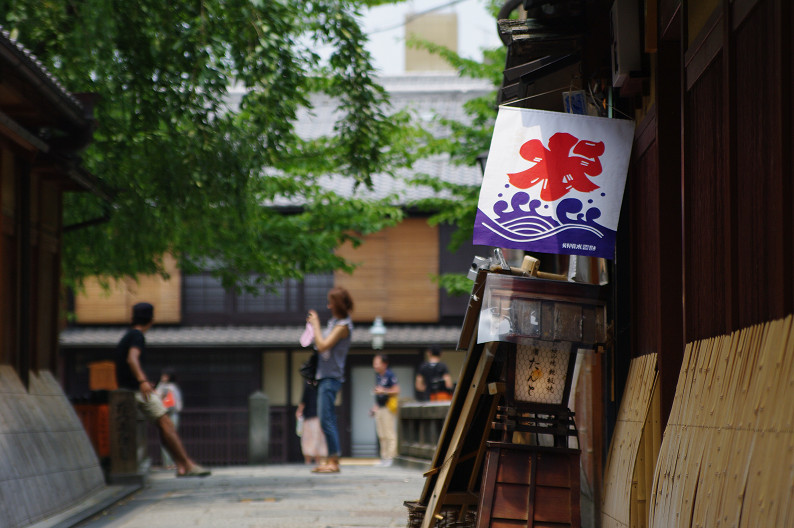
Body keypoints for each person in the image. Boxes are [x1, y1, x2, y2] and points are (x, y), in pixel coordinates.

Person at [115, 302, 210, 477]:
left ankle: (182, 466)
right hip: (136, 391)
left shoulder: (127, 336)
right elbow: (132, 359)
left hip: (129, 389)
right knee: (166, 423)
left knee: (163, 425)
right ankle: (187, 465)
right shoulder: (137, 336)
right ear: (151, 320)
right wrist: (142, 381)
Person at [307, 287, 354, 474]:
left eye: (331, 302)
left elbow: (323, 345)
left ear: (337, 304)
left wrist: (316, 324)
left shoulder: (343, 326)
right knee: (326, 418)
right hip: (325, 376)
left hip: (331, 377)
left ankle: (334, 461)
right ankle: (330, 459)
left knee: (326, 418)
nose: (328, 305)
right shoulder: (335, 322)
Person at [370, 353, 399, 467]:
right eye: (374, 363)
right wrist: (375, 407)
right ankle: (384, 457)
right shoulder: (378, 376)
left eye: (377, 363)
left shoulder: (390, 375)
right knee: (381, 434)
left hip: (388, 407)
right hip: (380, 407)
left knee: (389, 433)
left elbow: (396, 390)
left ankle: (391, 457)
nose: (375, 365)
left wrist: (384, 391)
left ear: (384, 364)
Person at [155, 368, 183, 469]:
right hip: (164, 413)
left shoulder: (173, 387)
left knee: (173, 437)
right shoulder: (161, 386)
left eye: (166, 375)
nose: (164, 377)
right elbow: (157, 397)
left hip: (173, 413)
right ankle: (167, 463)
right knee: (166, 438)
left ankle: (174, 462)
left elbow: (178, 400)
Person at [295, 380, 327, 465]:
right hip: (318, 414)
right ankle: (317, 460)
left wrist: (299, 411)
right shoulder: (322, 382)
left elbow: (304, 399)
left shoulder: (308, 382)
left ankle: (308, 461)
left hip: (310, 415)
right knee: (317, 438)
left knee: (308, 438)